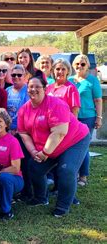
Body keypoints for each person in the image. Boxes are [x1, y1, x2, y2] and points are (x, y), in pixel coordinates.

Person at [18, 74, 90, 217]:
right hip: (50, 146)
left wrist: (45, 153)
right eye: (30, 87)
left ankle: (63, 206)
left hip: (74, 141)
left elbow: (59, 132)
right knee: (34, 167)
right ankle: (40, 198)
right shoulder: (24, 110)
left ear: (45, 88)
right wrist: (33, 152)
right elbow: (24, 133)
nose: (33, 89)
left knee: (66, 170)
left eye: (37, 86)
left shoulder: (56, 104)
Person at [68, 54, 103, 186]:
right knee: (72, 146)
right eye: (77, 64)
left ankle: (83, 176)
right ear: (73, 65)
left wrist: (99, 118)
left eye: (83, 64)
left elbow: (98, 100)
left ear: (88, 65)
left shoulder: (92, 80)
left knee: (83, 147)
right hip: (72, 118)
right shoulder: (70, 80)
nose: (80, 66)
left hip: (87, 117)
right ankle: (74, 173)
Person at [6, 64, 29, 133]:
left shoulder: (29, 90)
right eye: (13, 75)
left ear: (24, 76)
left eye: (19, 75)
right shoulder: (7, 91)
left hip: (23, 131)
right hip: (8, 130)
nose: (16, 77)